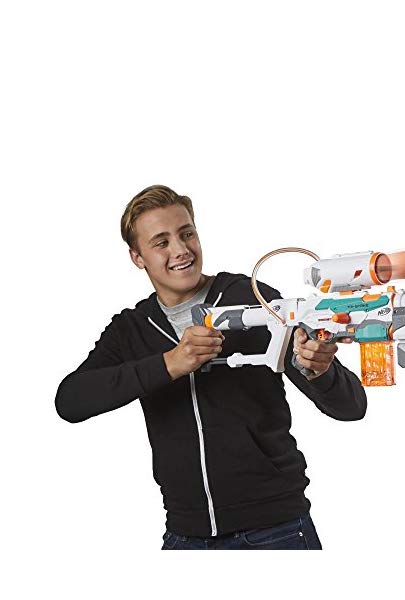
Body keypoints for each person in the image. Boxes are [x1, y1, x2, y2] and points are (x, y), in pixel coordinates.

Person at [55, 184, 367, 550]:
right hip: (184, 535)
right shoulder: (131, 328)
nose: (181, 250)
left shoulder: (252, 298)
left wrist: (319, 369)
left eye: (186, 234)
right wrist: (170, 364)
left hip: (275, 530)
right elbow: (70, 401)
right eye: (161, 242)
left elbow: (351, 407)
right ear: (137, 257)